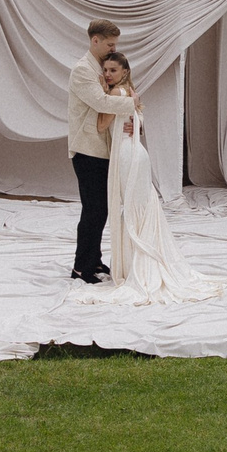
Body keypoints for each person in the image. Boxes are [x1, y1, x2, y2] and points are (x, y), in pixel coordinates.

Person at [76, 52, 222, 304]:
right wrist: (135, 118)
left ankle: (139, 267)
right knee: (139, 207)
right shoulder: (130, 92)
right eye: (106, 71)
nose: (108, 75)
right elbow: (135, 119)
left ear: (124, 72)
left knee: (133, 209)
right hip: (136, 154)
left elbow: (101, 125)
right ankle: (138, 263)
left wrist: (104, 97)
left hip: (126, 156)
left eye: (113, 70)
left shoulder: (116, 94)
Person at [67, 20, 130, 283]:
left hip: (99, 150)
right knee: (93, 209)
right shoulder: (83, 70)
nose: (113, 48)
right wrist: (131, 101)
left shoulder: (97, 68)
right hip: (87, 149)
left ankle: (94, 260)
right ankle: (81, 267)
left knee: (100, 209)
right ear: (95, 40)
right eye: (109, 44)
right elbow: (101, 101)